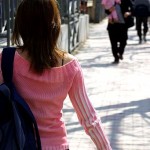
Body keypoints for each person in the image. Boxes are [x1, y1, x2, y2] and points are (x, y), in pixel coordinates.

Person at [0, 0, 112, 150]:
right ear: (55, 25)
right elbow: (89, 119)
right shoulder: (70, 66)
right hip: (57, 145)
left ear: (20, 24)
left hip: (17, 143)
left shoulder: (6, 59)